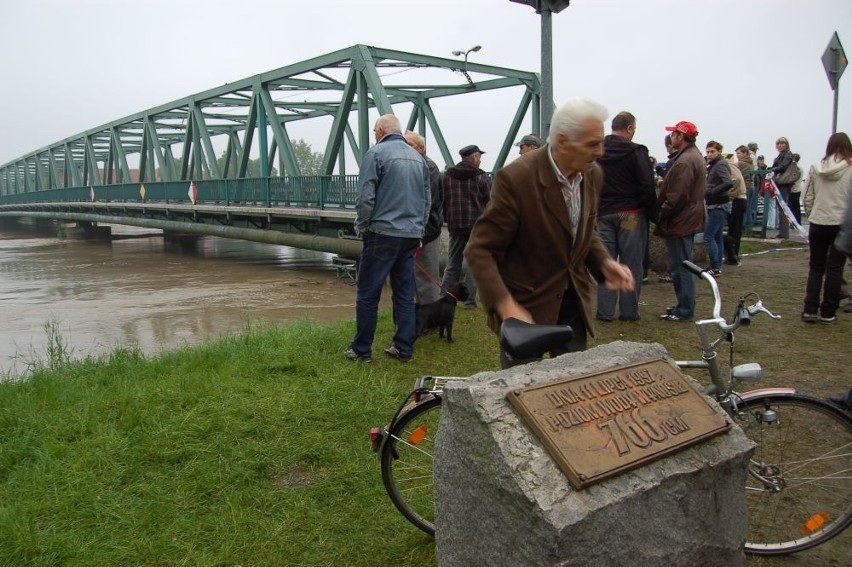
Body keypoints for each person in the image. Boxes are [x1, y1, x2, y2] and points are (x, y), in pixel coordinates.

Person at [464, 97, 633, 368]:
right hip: (526, 306)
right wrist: (505, 304)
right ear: (563, 141)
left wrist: (604, 262)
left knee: (573, 389)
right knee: (521, 392)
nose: (601, 151)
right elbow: (480, 250)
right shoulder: (517, 178)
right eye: (592, 144)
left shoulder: (592, 174)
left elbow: (583, 230)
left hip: (573, 304)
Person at [344, 114, 430, 363]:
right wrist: (419, 230)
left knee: (368, 293)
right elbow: (426, 200)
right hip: (411, 234)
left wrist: (362, 227)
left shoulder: (376, 154)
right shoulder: (418, 158)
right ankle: (404, 348)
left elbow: (365, 197)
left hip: (382, 233)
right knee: (404, 293)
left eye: (374, 131)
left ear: (381, 130)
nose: (374, 135)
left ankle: (361, 350)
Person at [595, 111, 657, 321]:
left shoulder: (597, 150)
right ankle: (629, 312)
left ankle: (605, 311)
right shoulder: (636, 152)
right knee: (631, 264)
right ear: (629, 128)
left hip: (604, 213)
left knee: (606, 262)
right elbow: (647, 185)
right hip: (630, 213)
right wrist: (652, 212)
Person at [655, 120, 706, 322]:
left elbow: (677, 196)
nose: (671, 137)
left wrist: (661, 214)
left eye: (674, 134)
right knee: (683, 265)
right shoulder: (693, 156)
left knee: (681, 267)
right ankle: (683, 305)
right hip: (688, 218)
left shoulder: (684, 161)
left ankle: (684, 309)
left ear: (681, 136)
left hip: (681, 221)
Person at [801, 132, 852, 324]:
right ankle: (828, 311)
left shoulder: (816, 167)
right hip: (841, 223)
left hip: (818, 221)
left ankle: (810, 309)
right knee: (835, 269)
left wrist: (812, 213)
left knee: (816, 267)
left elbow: (807, 196)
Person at [441, 144, 491, 309]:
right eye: (479, 156)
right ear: (474, 157)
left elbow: (443, 200)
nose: (480, 160)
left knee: (453, 263)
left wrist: (448, 218)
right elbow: (488, 201)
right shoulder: (481, 176)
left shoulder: (448, 175)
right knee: (472, 264)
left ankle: (445, 296)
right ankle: (469, 302)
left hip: (455, 226)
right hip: (476, 226)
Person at [404, 131, 443, 306]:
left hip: (427, 229)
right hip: (412, 228)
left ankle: (432, 317)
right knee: (413, 275)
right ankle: (419, 315)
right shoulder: (408, 165)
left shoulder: (429, 167)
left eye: (410, 145)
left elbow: (429, 201)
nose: (406, 148)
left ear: (421, 148)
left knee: (427, 275)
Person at [703, 141, 733, 277]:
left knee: (708, 236)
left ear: (719, 151)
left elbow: (728, 182)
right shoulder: (714, 164)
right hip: (717, 204)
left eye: (712, 152)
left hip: (719, 204)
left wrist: (712, 191)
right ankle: (717, 266)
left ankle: (715, 266)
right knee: (717, 236)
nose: (709, 154)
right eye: (708, 152)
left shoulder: (720, 164)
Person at [769, 137, 798, 239]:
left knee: (783, 208)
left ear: (786, 145)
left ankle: (784, 233)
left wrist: (773, 170)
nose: (780, 146)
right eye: (778, 144)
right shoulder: (781, 155)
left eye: (782, 144)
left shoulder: (788, 154)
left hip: (784, 183)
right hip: (780, 183)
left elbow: (783, 166)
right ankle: (782, 232)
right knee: (780, 207)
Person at [724, 153, 748, 265]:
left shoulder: (728, 166)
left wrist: (729, 196)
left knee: (733, 229)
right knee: (735, 229)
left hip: (737, 200)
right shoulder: (733, 166)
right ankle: (732, 255)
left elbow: (736, 180)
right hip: (741, 199)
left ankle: (732, 255)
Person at [788, 153, 804, 226]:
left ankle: (795, 222)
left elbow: (793, 177)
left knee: (793, 206)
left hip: (794, 188)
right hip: (798, 188)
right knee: (796, 206)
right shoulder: (800, 167)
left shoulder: (796, 167)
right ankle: (797, 221)